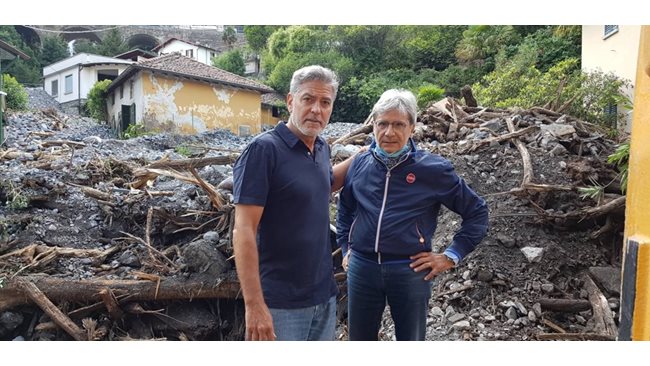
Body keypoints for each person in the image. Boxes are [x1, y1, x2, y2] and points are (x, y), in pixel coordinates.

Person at [336, 89, 489, 341]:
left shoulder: (433, 170)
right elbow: (346, 209)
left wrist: (451, 256)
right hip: (362, 268)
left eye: (398, 124)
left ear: (412, 127)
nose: (389, 132)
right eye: (382, 123)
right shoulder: (360, 163)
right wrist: (345, 247)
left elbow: (477, 212)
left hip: (409, 270)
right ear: (373, 125)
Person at [232, 65, 359, 341]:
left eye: (325, 102)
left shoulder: (322, 147)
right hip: (279, 303)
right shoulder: (264, 151)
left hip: (323, 296)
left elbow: (324, 183)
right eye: (308, 99)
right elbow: (243, 230)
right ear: (290, 101)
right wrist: (254, 305)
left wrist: (362, 157)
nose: (316, 109)